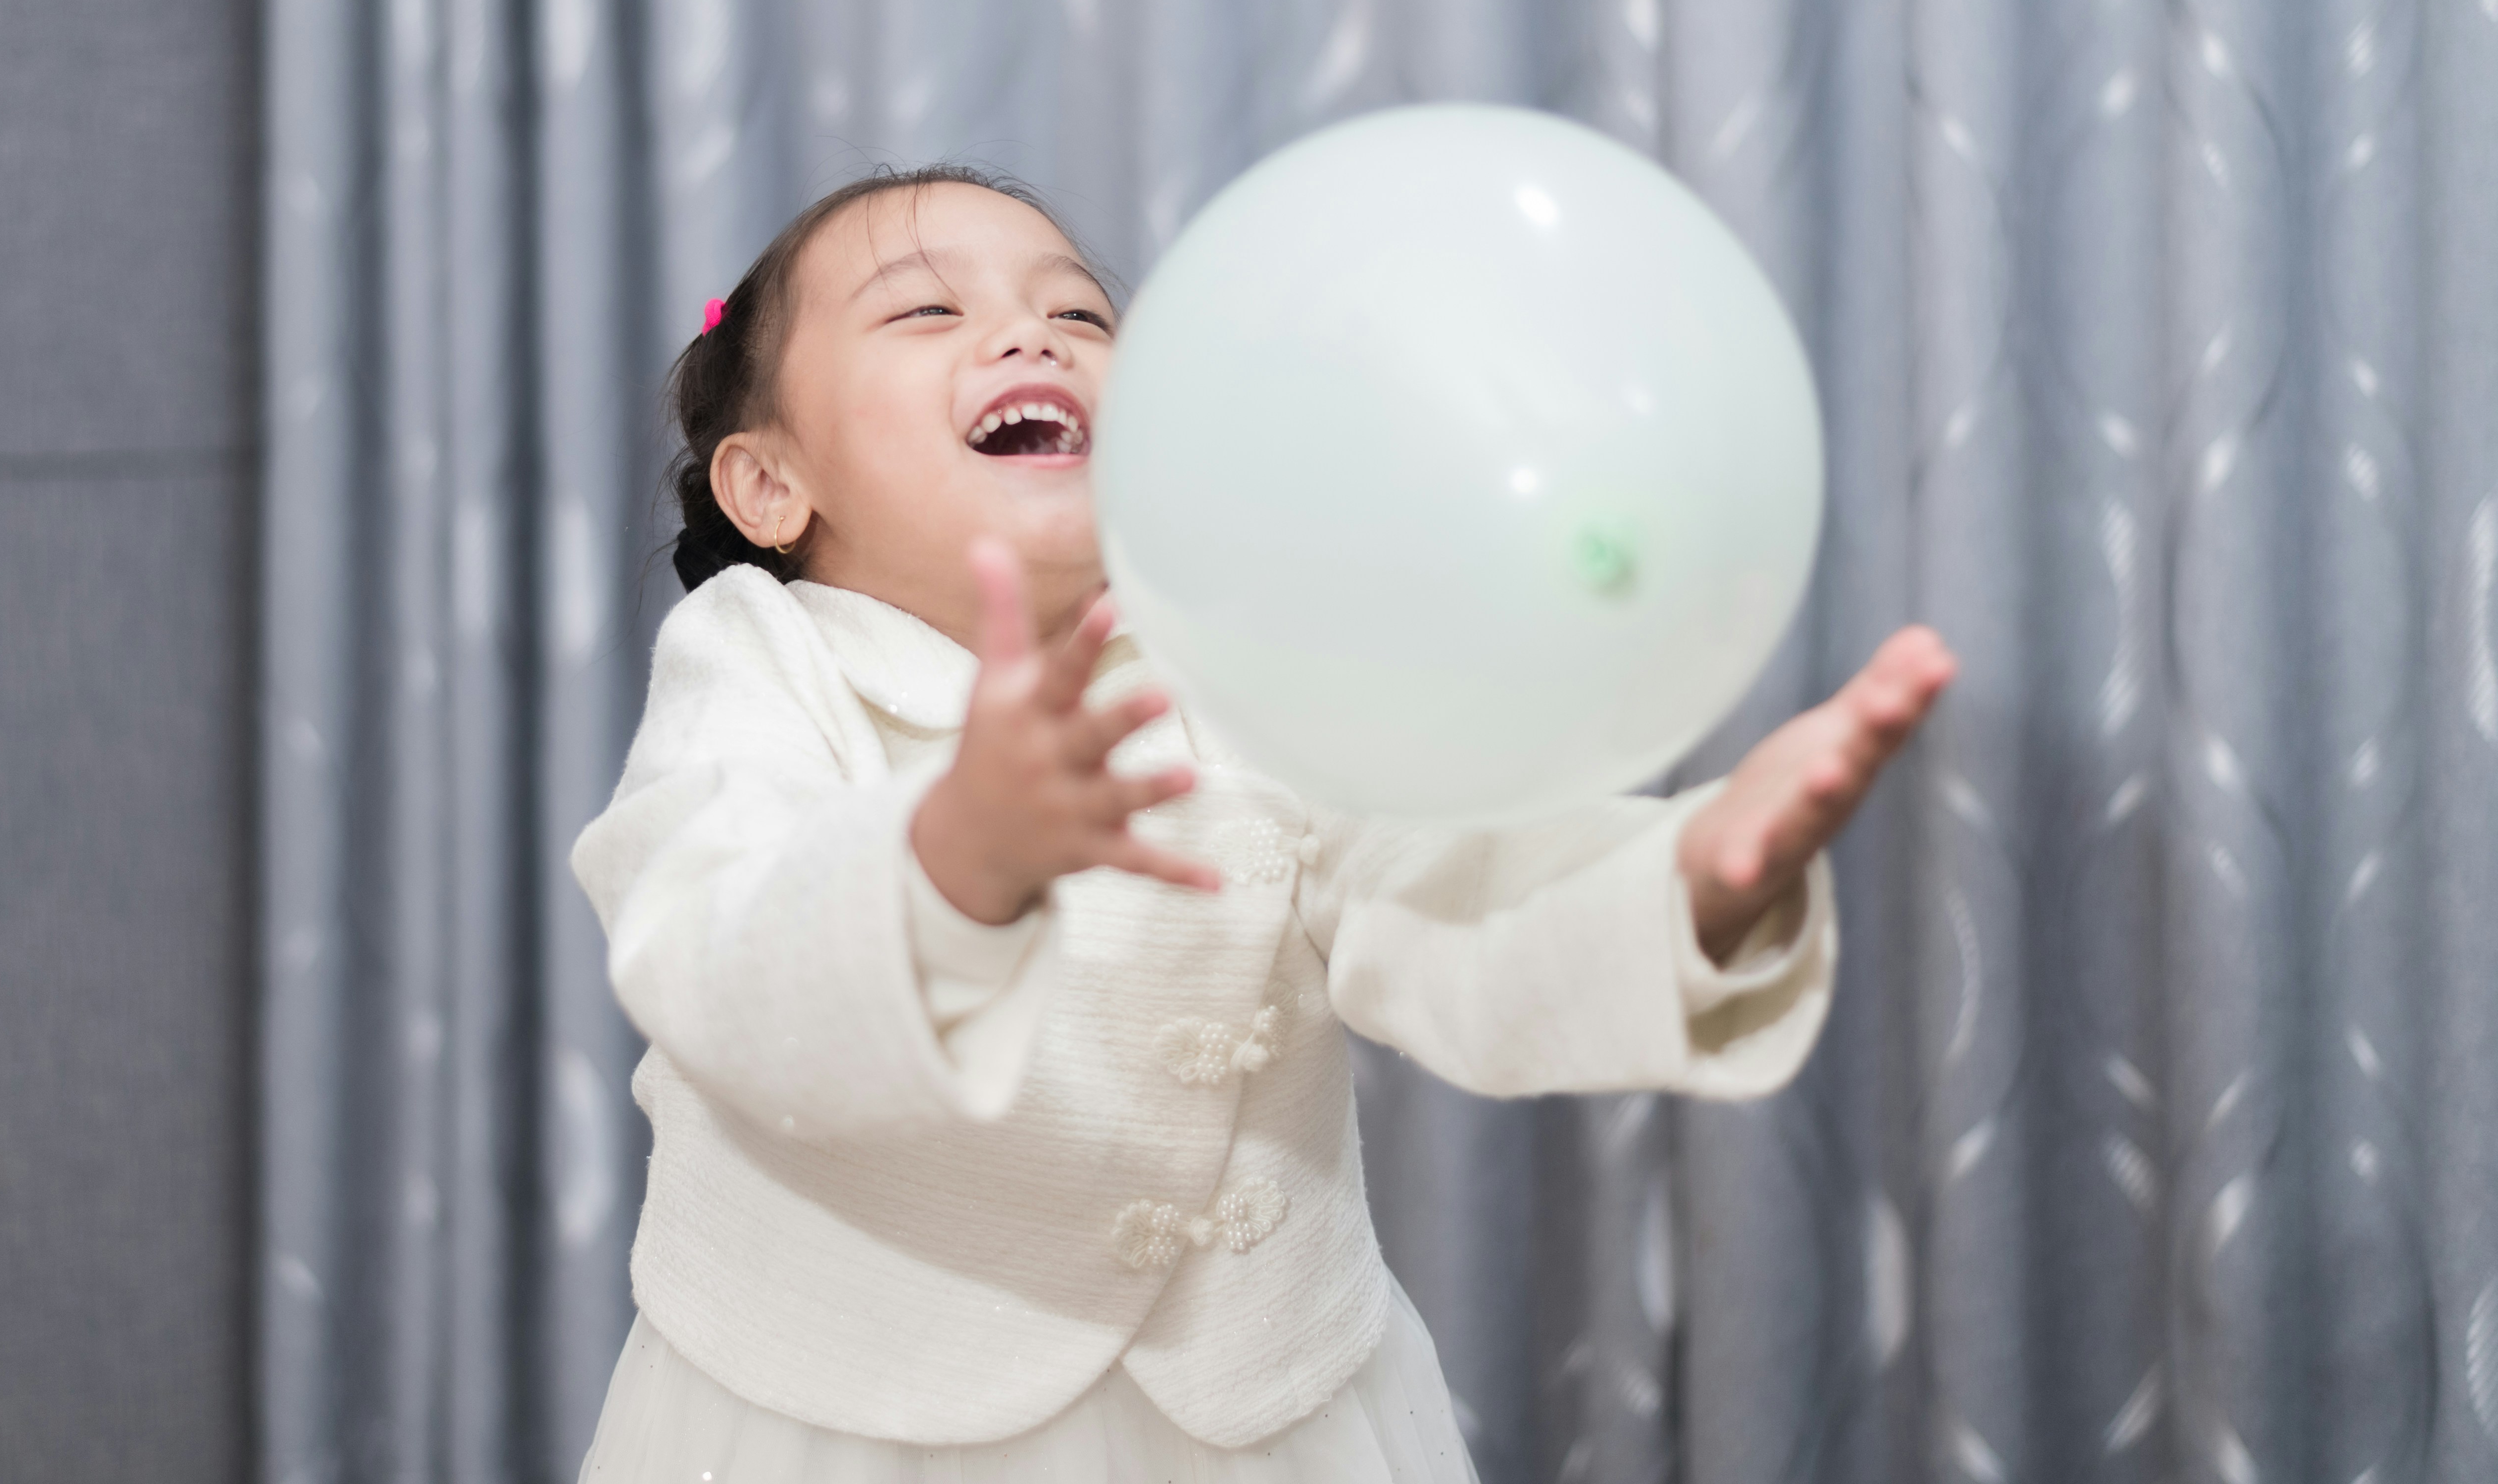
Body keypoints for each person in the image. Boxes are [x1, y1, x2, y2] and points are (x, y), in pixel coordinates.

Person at [570, 167, 1956, 1481]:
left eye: (1079, 315)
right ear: (768, 486)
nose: (1027, 336)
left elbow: (1440, 893)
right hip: (842, 1417)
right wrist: (954, 865)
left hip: (1270, 1413)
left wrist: (1684, 887)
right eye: (930, 310)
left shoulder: (1237, 656)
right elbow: (710, 947)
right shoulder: (763, 662)